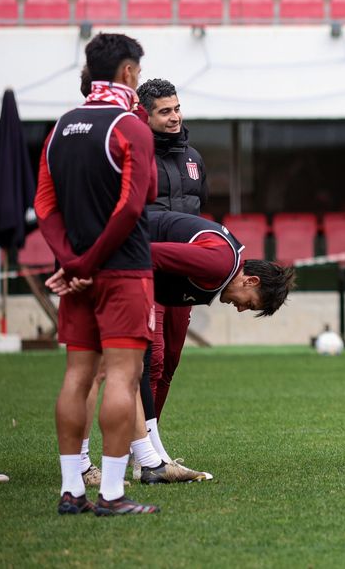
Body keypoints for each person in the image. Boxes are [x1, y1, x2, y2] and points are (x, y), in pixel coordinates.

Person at [46, 211, 294, 483]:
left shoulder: (221, 271)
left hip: (103, 261)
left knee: (128, 369)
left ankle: (150, 462)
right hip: (99, 262)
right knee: (95, 370)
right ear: (251, 281)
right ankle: (81, 469)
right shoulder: (218, 264)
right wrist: (85, 269)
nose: (241, 309)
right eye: (250, 303)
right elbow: (144, 253)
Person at [34, 32, 160, 516]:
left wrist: (70, 261)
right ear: (128, 72)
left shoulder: (60, 127)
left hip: (78, 274)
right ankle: (110, 494)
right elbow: (133, 206)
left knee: (77, 377)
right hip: (123, 271)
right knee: (123, 379)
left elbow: (44, 206)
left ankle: (71, 490)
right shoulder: (132, 128)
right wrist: (89, 262)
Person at [135, 77, 209, 476]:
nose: (174, 117)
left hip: (184, 275)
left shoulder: (193, 157)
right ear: (145, 116)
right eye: (165, 111)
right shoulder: (135, 155)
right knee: (153, 360)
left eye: (177, 108)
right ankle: (145, 451)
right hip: (147, 271)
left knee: (173, 360)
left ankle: (150, 448)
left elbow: (200, 210)